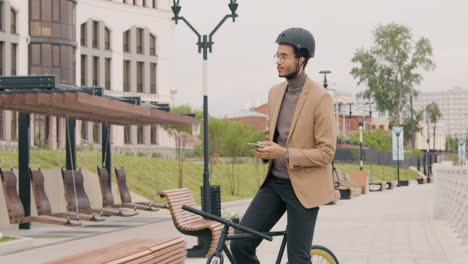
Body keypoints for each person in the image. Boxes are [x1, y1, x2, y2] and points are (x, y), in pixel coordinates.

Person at [230, 27, 337, 264]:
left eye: (284, 56)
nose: (278, 61)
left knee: (298, 259)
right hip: (275, 184)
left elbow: (326, 152)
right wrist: (265, 150)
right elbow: (273, 135)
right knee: (240, 243)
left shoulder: (321, 98)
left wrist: (285, 153)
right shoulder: (275, 92)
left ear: (302, 60)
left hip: (305, 190)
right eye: (277, 56)